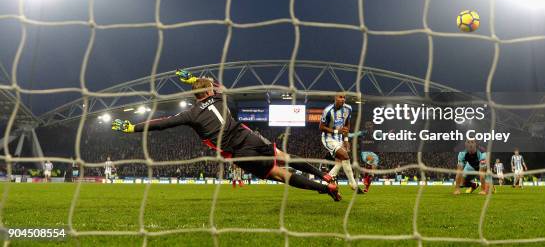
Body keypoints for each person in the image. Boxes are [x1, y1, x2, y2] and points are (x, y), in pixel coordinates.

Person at [112, 72, 340, 201]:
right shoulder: (220, 97)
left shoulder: (190, 113)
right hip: (249, 137)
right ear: (210, 91)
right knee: (285, 156)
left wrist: (133, 128)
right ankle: (324, 175)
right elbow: (216, 84)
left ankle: (325, 189)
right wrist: (193, 78)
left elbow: (162, 124)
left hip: (239, 153)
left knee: (280, 175)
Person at [320, 92, 364, 194]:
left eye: (344, 97)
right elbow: (321, 127)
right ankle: (353, 185)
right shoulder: (327, 110)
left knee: (339, 162)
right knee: (345, 156)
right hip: (328, 138)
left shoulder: (348, 109)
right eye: (340, 97)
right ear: (335, 98)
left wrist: (346, 140)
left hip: (340, 138)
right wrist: (336, 131)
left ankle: (326, 184)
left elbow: (347, 125)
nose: (343, 99)